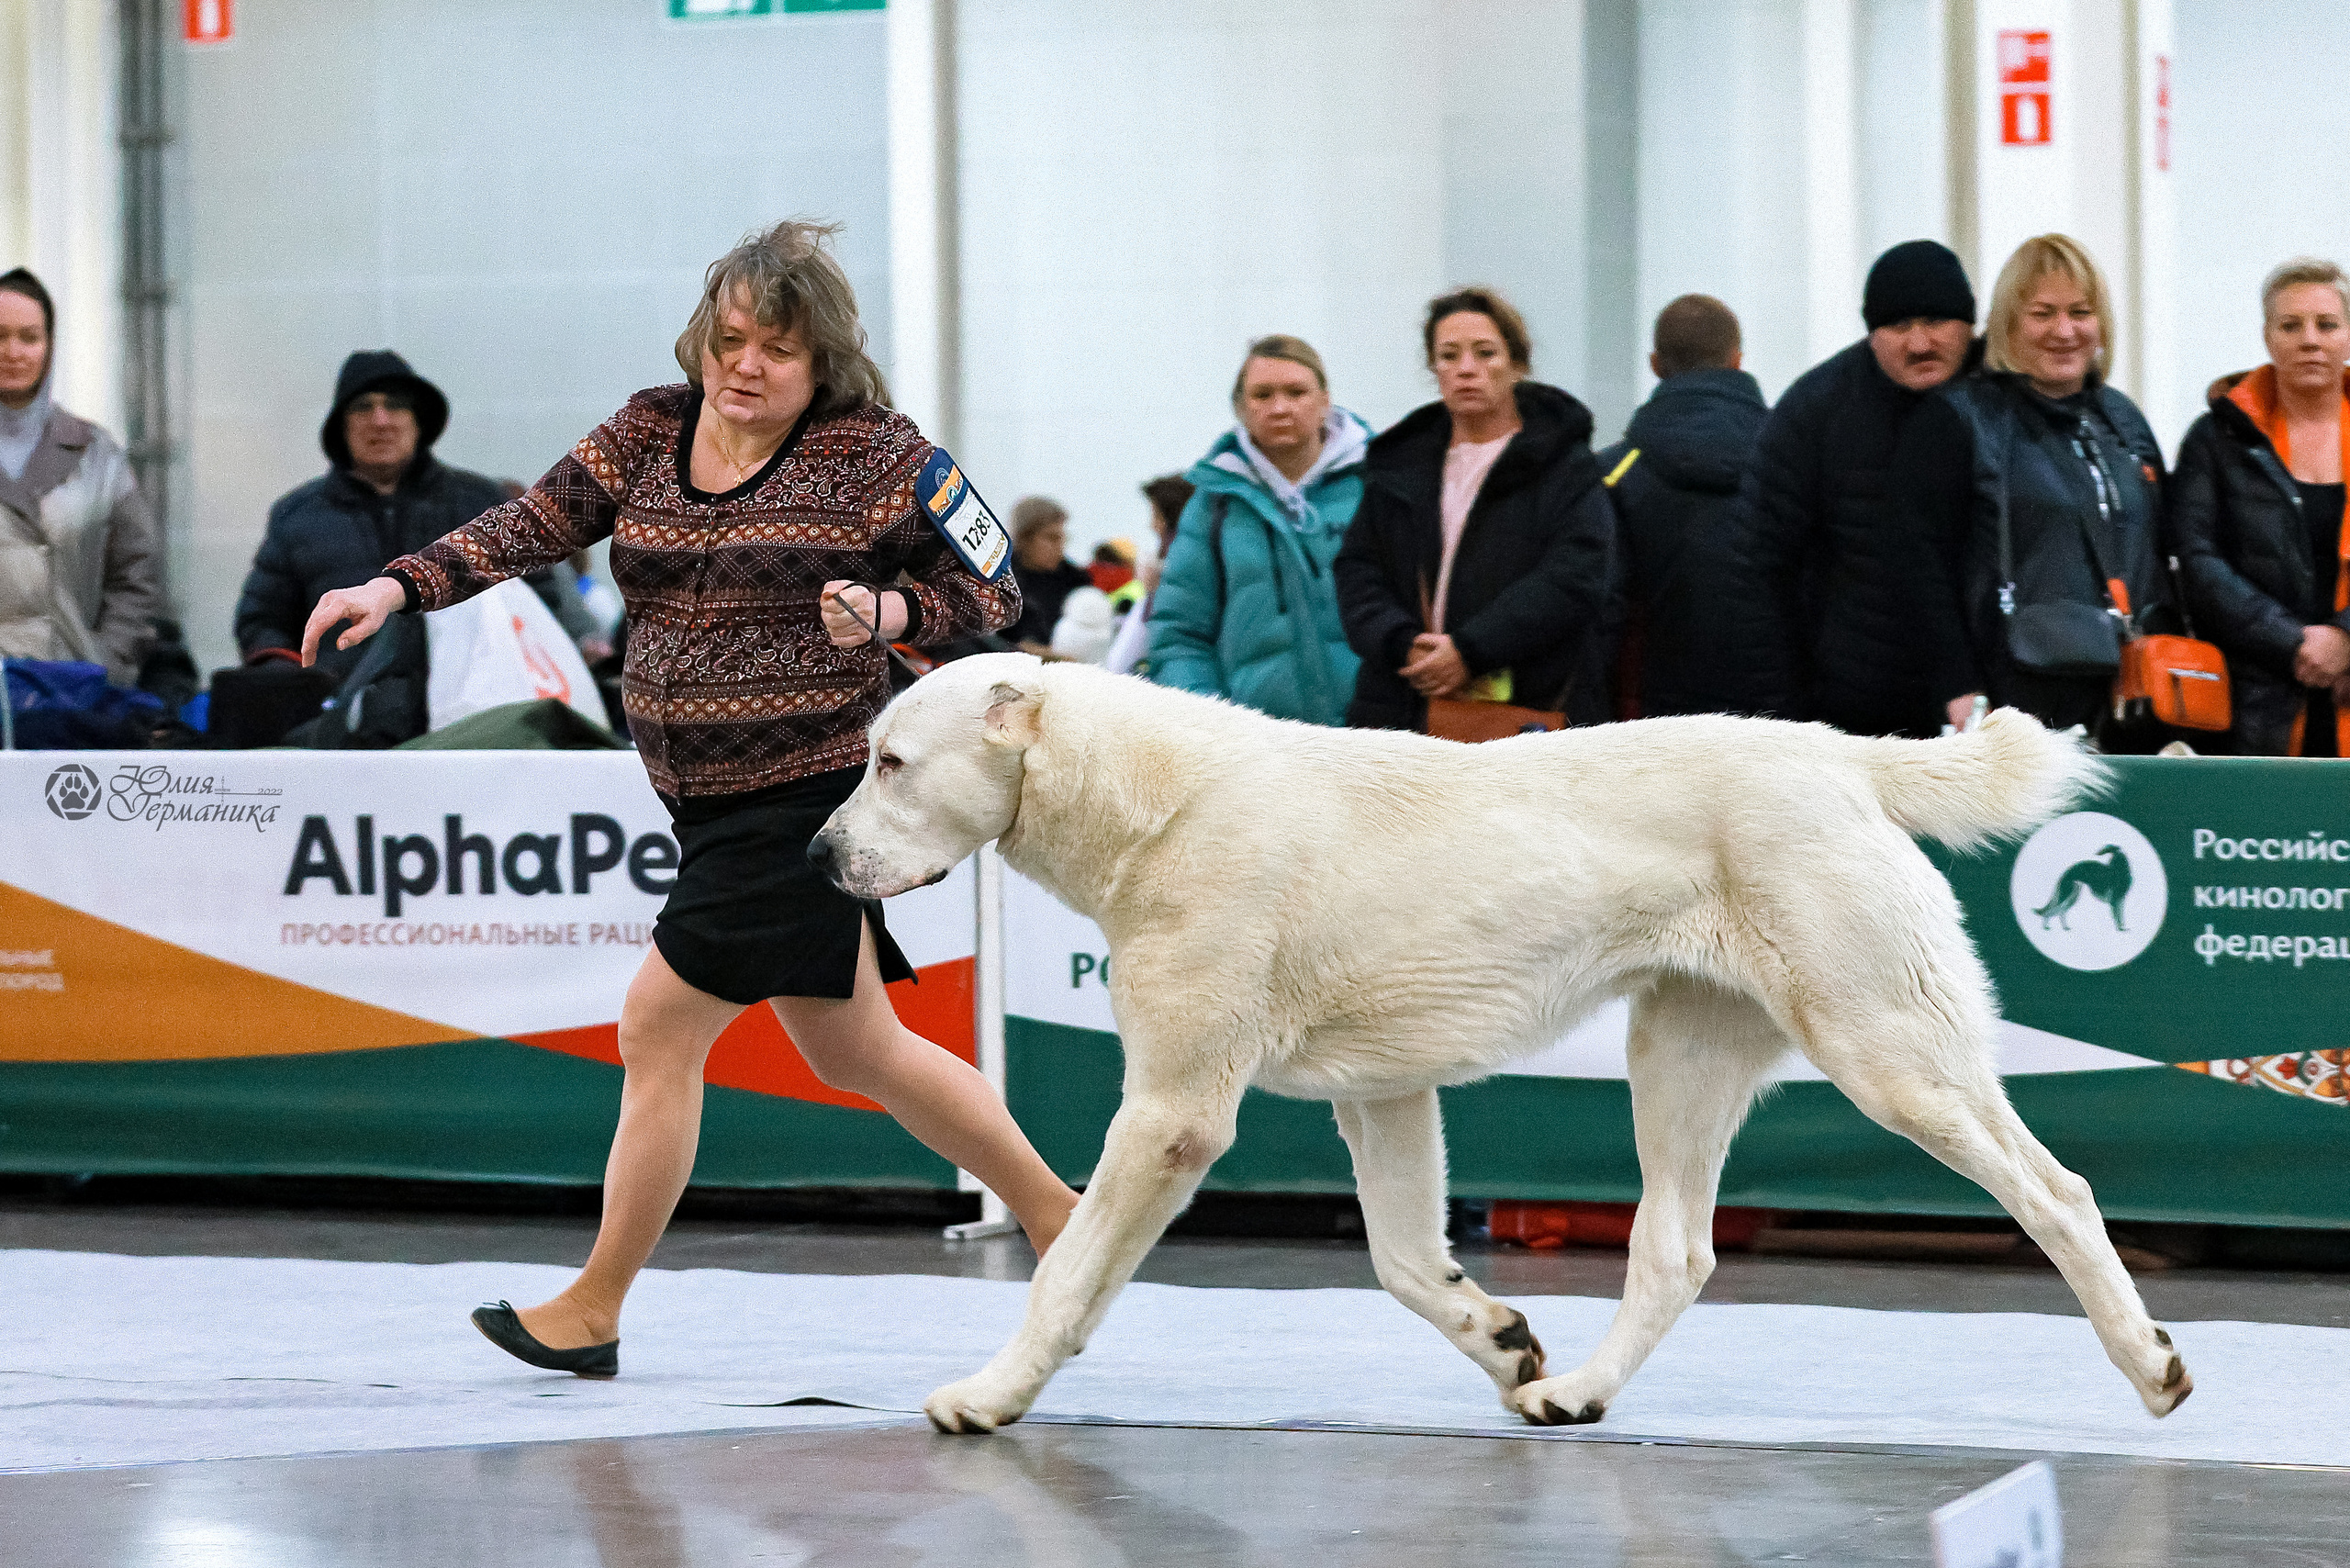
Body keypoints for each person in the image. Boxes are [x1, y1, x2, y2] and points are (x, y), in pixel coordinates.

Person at [297, 220, 1077, 1373]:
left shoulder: (876, 453)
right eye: (728, 338)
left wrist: (896, 615)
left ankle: (594, 1307)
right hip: (700, 800)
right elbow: (528, 526)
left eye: (775, 347)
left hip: (803, 791)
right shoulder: (649, 428)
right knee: (858, 1050)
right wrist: (395, 584)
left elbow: (995, 583)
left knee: (657, 1025)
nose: (743, 365)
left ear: (824, 361)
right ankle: (1068, 1220)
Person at [1898, 234, 2174, 738]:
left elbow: (2163, 552)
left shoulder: (2122, 420)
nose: (2065, 331)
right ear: (2008, 324)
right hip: (2013, 700)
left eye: (2081, 312)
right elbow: (1920, 570)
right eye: (2043, 313)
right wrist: (1957, 687)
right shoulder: (1958, 420)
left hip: (2134, 698)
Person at [1718, 240, 1979, 734]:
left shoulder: (1997, 400)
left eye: (1936, 323)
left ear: (1970, 324)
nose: (1920, 343)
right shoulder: (1815, 413)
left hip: (1982, 706)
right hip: (1853, 716)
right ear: (1871, 333)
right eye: (1899, 326)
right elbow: (1756, 569)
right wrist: (1786, 720)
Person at [1334, 287, 1615, 731]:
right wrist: (1402, 643)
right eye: (1448, 356)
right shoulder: (1399, 464)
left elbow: (1575, 576)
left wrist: (1471, 651)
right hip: (1403, 705)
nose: (1466, 370)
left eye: (1485, 353)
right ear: (1433, 368)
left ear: (1516, 363)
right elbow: (1358, 568)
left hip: (1526, 709)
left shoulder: (1564, 464)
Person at [233, 352, 510, 684]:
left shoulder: (479, 501)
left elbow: (541, 601)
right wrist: (296, 680)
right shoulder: (297, 516)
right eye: (363, 406)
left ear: (417, 421)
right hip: (343, 719)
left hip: (469, 711)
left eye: (395, 405)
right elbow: (262, 621)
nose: (380, 420)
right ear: (342, 426)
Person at [2171, 258, 2350, 756]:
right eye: (2291, 325)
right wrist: (2293, 642)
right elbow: (2196, 559)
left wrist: (2345, 640)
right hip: (2253, 705)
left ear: (2349, 335)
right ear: (2268, 337)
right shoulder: (2217, 438)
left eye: (2327, 325)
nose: (2309, 340)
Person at [1147, 335, 1372, 724]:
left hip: (1379, 740)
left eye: (1296, 392)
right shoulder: (1213, 504)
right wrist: (1214, 726)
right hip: (1258, 754)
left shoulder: (1378, 485)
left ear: (1325, 401)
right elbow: (1179, 634)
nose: (1280, 407)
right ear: (1240, 408)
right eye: (1262, 395)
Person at [1595, 294, 1768, 718]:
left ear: (1655, 365)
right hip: (1781, 707)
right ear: (1738, 360)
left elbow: (1604, 611)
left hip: (1658, 717)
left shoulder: (1613, 473)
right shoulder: (1794, 461)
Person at [0, 267, 161, 688]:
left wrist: (102, 668)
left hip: (72, 697)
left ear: (49, 347)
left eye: (28, 337)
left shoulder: (96, 452)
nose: (12, 351)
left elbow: (137, 576)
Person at [1104, 473, 1192, 676]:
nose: (1151, 525)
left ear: (1168, 517)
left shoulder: (1173, 559)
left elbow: (1120, 662)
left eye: (1155, 515)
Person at [1003, 497, 1091, 654]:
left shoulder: (1076, 581)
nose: (1059, 546)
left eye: (1063, 538)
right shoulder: (1000, 581)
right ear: (1024, 538)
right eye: (1051, 538)